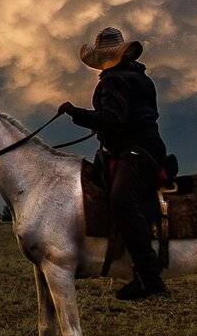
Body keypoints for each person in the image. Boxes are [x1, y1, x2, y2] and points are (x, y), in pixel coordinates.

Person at [58, 27, 170, 300]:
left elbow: (112, 119)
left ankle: (149, 276)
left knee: (122, 200)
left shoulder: (115, 81)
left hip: (136, 150)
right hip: (137, 147)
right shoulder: (138, 78)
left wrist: (75, 114)